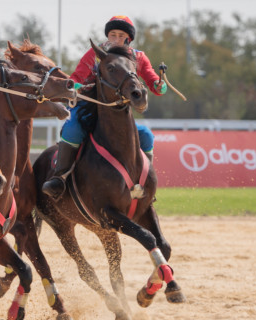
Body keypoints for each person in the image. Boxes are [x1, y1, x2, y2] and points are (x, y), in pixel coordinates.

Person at [42, 15, 167, 201]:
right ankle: (59, 178)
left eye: (121, 35)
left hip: (118, 113)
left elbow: (151, 80)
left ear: (128, 39)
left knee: (146, 135)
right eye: (112, 34)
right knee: (73, 128)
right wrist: (72, 85)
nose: (116, 39)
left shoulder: (138, 57)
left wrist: (159, 85)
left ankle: (145, 182)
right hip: (86, 106)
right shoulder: (96, 53)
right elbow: (78, 76)